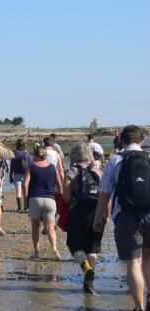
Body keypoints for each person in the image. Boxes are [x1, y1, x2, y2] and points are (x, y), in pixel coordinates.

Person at [93, 125, 150, 311]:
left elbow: (105, 192)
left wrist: (98, 217)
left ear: (121, 141)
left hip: (126, 217)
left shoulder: (115, 160)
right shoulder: (148, 158)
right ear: (142, 141)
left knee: (134, 263)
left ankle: (140, 307)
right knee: (148, 258)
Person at [63, 142, 103, 294]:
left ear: (74, 155)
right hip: (97, 212)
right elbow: (106, 196)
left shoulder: (72, 171)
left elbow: (66, 198)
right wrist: (105, 215)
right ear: (89, 155)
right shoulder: (98, 171)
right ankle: (90, 279)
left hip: (78, 213)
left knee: (76, 247)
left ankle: (87, 270)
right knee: (92, 250)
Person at [23, 145, 62, 260]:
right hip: (50, 200)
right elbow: (59, 184)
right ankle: (54, 248)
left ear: (35, 155)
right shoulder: (52, 167)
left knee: (35, 227)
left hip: (35, 199)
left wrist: (25, 200)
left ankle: (37, 252)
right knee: (50, 226)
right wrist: (60, 197)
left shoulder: (31, 167)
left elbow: (25, 185)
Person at [10, 138, 32, 212]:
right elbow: (31, 165)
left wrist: (10, 176)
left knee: (18, 190)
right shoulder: (28, 154)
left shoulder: (14, 153)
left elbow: (12, 166)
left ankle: (19, 208)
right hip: (27, 174)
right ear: (25, 145)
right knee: (26, 191)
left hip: (17, 174)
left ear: (17, 145)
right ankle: (26, 206)